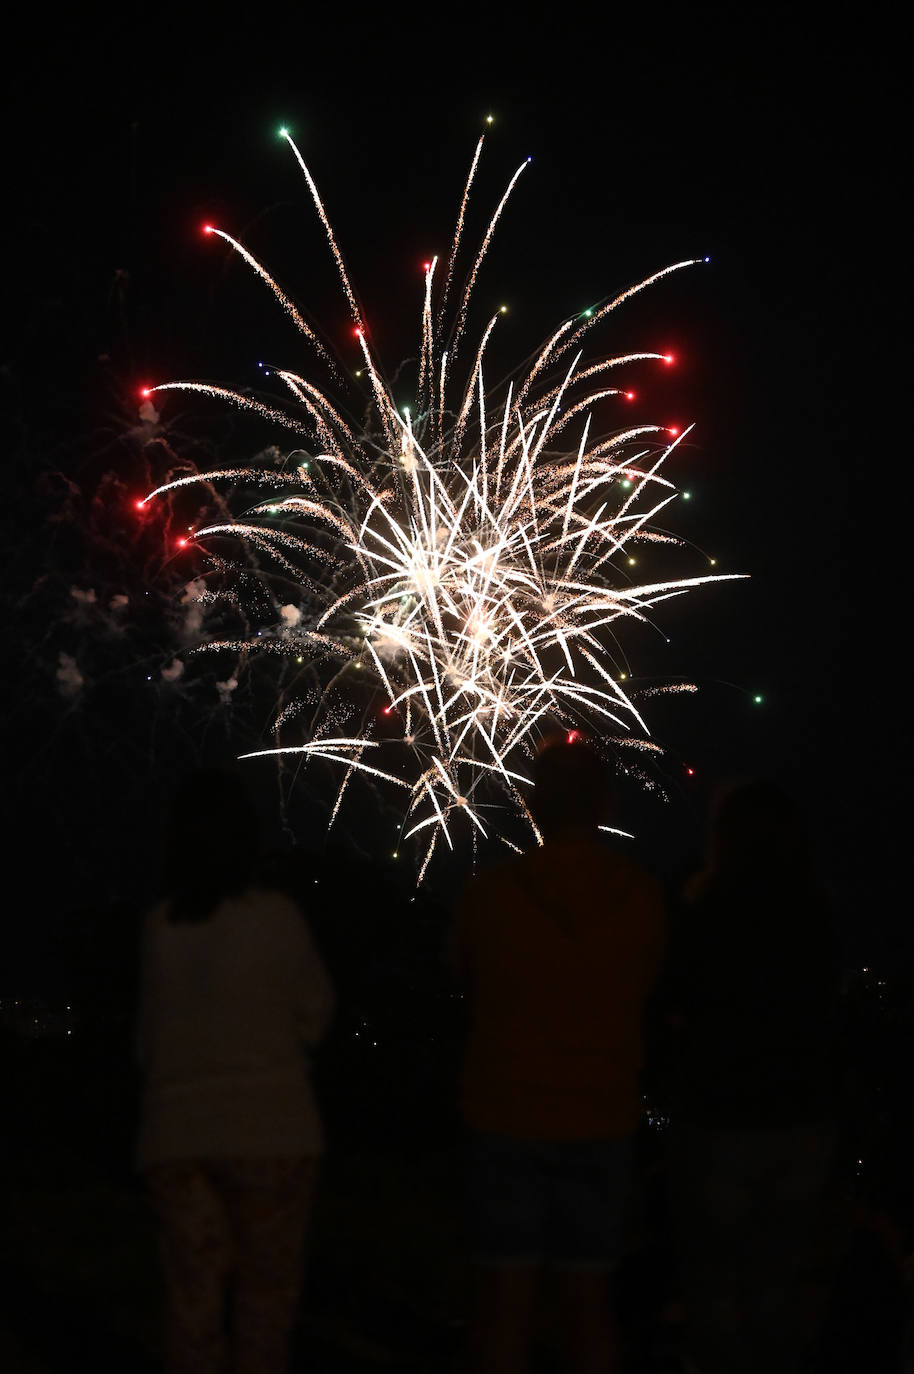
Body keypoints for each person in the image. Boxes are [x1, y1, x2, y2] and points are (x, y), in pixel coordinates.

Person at [452, 737, 667, 1374]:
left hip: (504, 1113)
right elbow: (649, 988)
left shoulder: (489, 896)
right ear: (605, 802)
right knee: (591, 1310)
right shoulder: (642, 897)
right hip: (601, 1117)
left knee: (505, 1311)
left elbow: (462, 980)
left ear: (536, 806)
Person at [135, 767, 334, 1374]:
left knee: (193, 1311)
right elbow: (316, 1015)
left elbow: (146, 1045)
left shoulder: (160, 927)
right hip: (274, 1134)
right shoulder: (277, 917)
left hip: (176, 1139)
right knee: (265, 1311)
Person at [660, 777, 842, 1374]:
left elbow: (673, 1001)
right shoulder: (817, 919)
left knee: (714, 1289)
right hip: (801, 1120)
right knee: (778, 1284)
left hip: (720, 1118)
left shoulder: (706, 912)